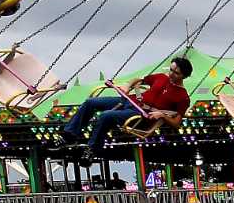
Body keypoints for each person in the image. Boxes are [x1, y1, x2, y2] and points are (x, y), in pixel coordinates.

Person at [58, 56, 191, 158]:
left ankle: (92, 150)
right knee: (90, 102)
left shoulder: (182, 96)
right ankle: (70, 135)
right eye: (171, 70)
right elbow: (138, 80)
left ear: (184, 76)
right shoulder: (161, 77)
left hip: (140, 115)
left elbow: (177, 123)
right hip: (129, 101)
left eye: (176, 73)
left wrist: (162, 115)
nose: (171, 74)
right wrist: (128, 85)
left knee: (106, 116)